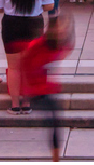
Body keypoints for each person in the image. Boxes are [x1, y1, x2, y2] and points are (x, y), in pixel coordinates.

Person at [0, 0, 55, 114]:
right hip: (34, 25)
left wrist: (8, 7)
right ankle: (27, 103)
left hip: (11, 24)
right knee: (29, 66)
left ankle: (15, 105)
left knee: (13, 67)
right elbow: (49, 5)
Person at [21, 13, 73, 161]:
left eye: (65, 28)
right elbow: (24, 63)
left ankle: (56, 158)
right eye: (60, 27)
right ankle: (56, 158)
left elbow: (67, 48)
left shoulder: (59, 45)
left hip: (49, 90)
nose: (62, 30)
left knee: (55, 122)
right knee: (54, 120)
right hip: (37, 91)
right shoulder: (38, 45)